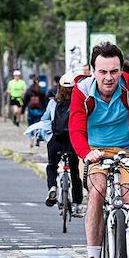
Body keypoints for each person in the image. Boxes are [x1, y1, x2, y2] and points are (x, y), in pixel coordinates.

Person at [71, 42, 129, 258]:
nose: (109, 78)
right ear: (92, 70)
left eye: (114, 71)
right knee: (97, 193)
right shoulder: (81, 90)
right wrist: (85, 153)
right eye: (103, 71)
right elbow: (76, 127)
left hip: (128, 149)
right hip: (94, 150)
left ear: (121, 70)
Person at [43, 74, 82, 211]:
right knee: (75, 172)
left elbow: (45, 120)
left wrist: (45, 136)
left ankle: (52, 186)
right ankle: (77, 204)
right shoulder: (79, 104)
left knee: (52, 166)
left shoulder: (53, 103)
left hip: (56, 140)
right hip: (73, 141)